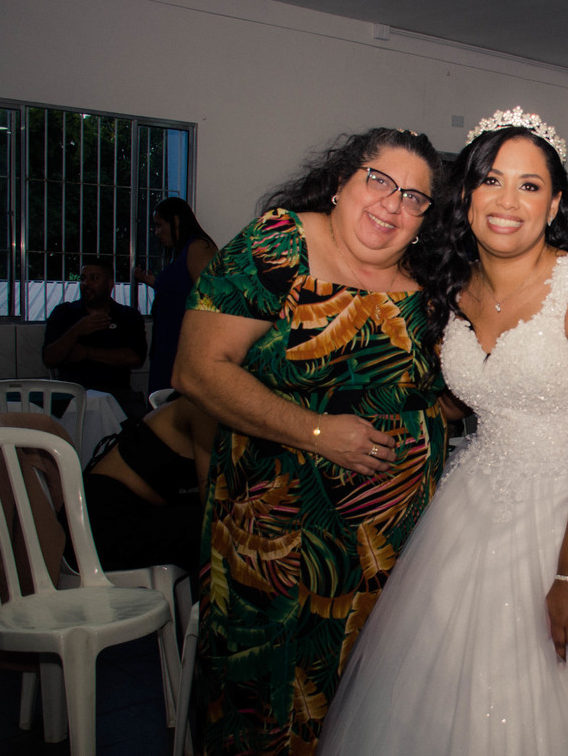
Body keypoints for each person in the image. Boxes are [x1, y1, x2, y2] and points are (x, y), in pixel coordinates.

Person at [320, 109, 568, 754]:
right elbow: (472, 396)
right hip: (472, 506)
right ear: (466, 195)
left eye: (529, 185)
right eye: (491, 181)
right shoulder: (453, 288)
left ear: (555, 203)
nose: (508, 201)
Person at [172, 127, 448, 754]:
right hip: (280, 535)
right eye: (378, 181)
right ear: (341, 181)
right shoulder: (280, 242)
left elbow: (436, 391)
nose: (392, 205)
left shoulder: (427, 274)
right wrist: (318, 432)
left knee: (373, 704)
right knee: (269, 704)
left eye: (414, 197)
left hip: (391, 546)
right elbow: (198, 369)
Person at [0, 395, 215, 573]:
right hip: (98, 527)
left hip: (128, 513)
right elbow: (213, 498)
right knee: (214, 531)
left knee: (210, 527)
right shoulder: (202, 407)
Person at [42, 256, 149, 419]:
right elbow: (49, 359)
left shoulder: (128, 316)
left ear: (110, 284)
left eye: (94, 278)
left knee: (143, 423)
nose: (86, 284)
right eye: (83, 279)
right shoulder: (64, 313)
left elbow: (135, 358)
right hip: (72, 397)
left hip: (116, 395)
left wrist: (87, 353)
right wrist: (77, 330)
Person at [133, 197, 218, 393]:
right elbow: (179, 290)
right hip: (168, 346)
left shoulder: (198, 248)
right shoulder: (181, 253)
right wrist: (152, 281)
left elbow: (212, 299)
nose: (156, 232)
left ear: (176, 221)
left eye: (159, 225)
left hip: (184, 348)